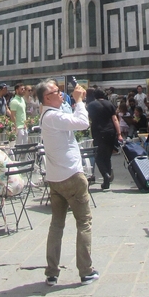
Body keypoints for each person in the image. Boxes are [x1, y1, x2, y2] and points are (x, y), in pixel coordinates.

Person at [37, 80, 98, 286]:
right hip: (71, 177)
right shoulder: (53, 116)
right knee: (84, 223)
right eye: (57, 92)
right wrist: (80, 100)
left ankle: (52, 273)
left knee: (56, 225)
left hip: (55, 179)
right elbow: (83, 123)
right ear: (47, 98)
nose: (61, 94)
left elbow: (71, 121)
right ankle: (86, 271)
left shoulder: (48, 116)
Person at [86, 89, 122, 190]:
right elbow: (115, 119)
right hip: (111, 131)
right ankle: (107, 181)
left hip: (98, 132)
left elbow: (88, 119)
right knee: (107, 156)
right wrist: (119, 134)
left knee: (98, 156)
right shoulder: (109, 104)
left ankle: (105, 174)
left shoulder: (92, 105)